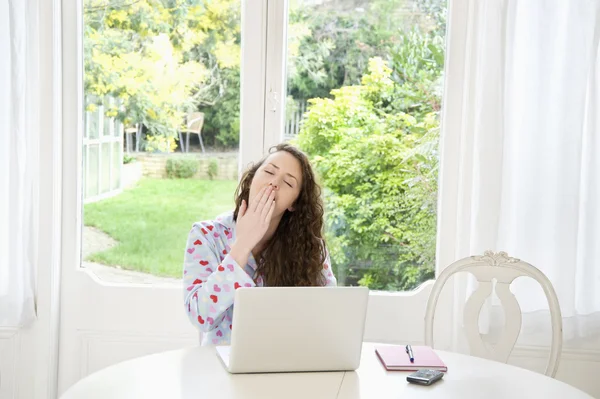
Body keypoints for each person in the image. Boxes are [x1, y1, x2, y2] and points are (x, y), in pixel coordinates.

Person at [182, 143, 337, 345]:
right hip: (222, 368)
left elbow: (329, 315)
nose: (274, 184)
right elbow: (201, 317)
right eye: (269, 172)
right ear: (252, 179)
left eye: (288, 183)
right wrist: (243, 245)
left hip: (287, 363)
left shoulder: (311, 248)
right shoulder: (206, 235)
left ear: (294, 203)